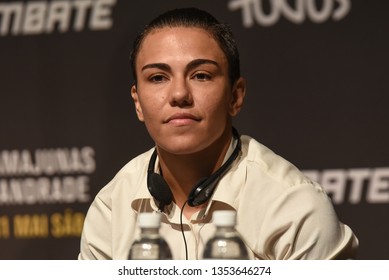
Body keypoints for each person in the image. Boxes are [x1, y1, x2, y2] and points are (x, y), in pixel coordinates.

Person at [78, 7, 358, 260]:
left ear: (235, 96)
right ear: (137, 103)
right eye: (158, 78)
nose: (179, 94)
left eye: (201, 75)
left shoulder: (293, 208)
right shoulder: (111, 208)